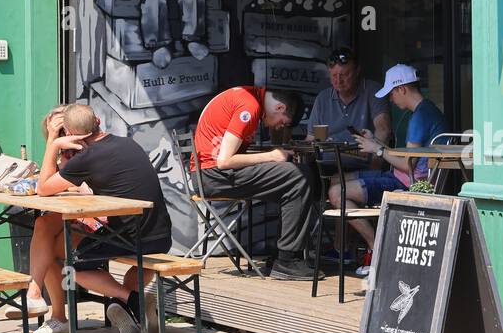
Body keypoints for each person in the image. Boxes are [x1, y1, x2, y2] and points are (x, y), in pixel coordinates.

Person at [26, 104, 173, 333]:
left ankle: (131, 300)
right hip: (162, 236)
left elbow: (43, 189)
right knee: (57, 243)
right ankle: (131, 311)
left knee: (76, 267)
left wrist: (53, 144)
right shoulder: (128, 143)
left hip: (129, 238)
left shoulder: (87, 157)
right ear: (98, 120)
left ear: (72, 134)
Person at [192, 85, 322, 281]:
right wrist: (271, 156)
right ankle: (288, 260)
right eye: (283, 123)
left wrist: (274, 156)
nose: (279, 127)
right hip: (213, 176)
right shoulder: (249, 106)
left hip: (208, 173)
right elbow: (224, 161)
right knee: (299, 175)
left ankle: (285, 254)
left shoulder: (250, 97)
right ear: (279, 108)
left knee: (288, 182)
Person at [349, 63, 450, 270]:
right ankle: (377, 249)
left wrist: (376, 150)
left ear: (401, 89)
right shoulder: (427, 110)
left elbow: (407, 166)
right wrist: (378, 144)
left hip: (408, 184)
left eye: (391, 94)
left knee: (337, 192)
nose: (391, 100)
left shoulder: (420, 116)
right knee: (340, 183)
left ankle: (376, 250)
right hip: (410, 179)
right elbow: (410, 159)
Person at [307, 46, 392, 264]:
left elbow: (383, 128)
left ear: (357, 72)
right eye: (334, 75)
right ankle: (340, 248)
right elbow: (311, 137)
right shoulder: (323, 98)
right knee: (305, 180)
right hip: (328, 165)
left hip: (364, 164)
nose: (339, 80)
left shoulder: (371, 90)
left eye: (344, 75)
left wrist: (376, 150)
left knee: (337, 186)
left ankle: (346, 247)